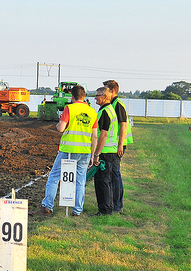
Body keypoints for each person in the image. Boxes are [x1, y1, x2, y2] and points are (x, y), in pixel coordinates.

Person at [33, 85, 98, 217]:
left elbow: (61, 128)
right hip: (85, 151)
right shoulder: (92, 112)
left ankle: (47, 206)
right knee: (80, 181)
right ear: (84, 97)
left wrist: (59, 124)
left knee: (54, 177)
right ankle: (77, 210)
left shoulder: (70, 108)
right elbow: (95, 135)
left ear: (72, 97)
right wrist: (93, 154)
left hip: (68, 150)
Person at [103, 80, 133, 214]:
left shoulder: (118, 104)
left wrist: (120, 144)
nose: (104, 93)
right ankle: (116, 205)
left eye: (105, 90)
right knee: (114, 174)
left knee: (115, 175)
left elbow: (123, 125)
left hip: (118, 145)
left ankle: (117, 206)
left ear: (112, 91)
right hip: (116, 144)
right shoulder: (113, 103)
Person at [92, 86, 119, 216]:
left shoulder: (105, 112)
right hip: (110, 151)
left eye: (97, 95)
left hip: (105, 152)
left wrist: (97, 154)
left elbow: (103, 134)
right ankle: (107, 208)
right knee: (106, 180)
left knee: (102, 181)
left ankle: (104, 210)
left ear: (105, 97)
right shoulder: (109, 110)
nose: (95, 98)